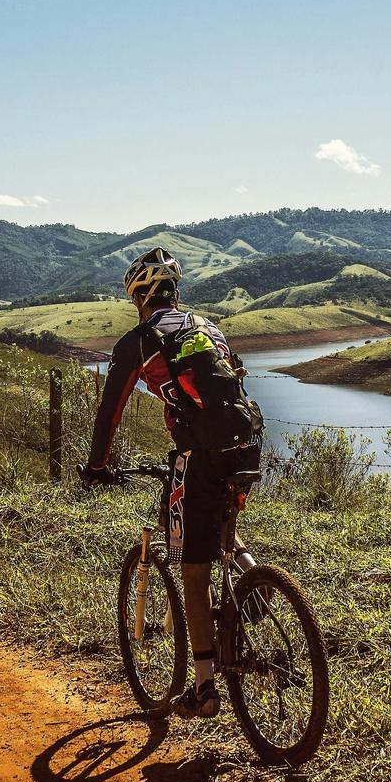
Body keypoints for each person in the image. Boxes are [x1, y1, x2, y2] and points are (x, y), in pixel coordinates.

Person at [81, 247, 262, 718]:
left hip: (199, 456)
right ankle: (258, 583)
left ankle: (203, 688)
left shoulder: (139, 341)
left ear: (138, 297)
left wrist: (97, 465)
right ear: (175, 292)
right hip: (245, 445)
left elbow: (110, 411)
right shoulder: (208, 327)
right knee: (223, 532)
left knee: (194, 568)